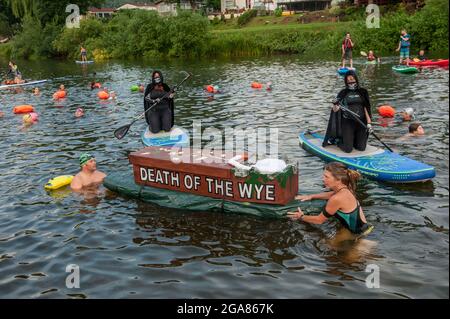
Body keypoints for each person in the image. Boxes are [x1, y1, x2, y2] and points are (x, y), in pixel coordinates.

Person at [288, 162, 373, 236]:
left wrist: (301, 216)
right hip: (364, 229)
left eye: (326, 177)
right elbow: (331, 194)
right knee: (332, 244)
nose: (323, 179)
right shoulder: (346, 188)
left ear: (338, 180)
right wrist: (311, 196)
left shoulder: (337, 199)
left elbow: (319, 220)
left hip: (361, 235)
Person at [323, 70, 373, 153]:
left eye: (352, 79)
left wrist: (369, 123)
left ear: (356, 79)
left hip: (361, 122)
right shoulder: (343, 93)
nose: (351, 82)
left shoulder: (363, 92)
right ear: (346, 81)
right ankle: (338, 141)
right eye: (349, 80)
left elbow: (366, 108)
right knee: (348, 149)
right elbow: (336, 110)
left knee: (361, 148)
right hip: (348, 122)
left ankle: (353, 140)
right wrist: (335, 104)